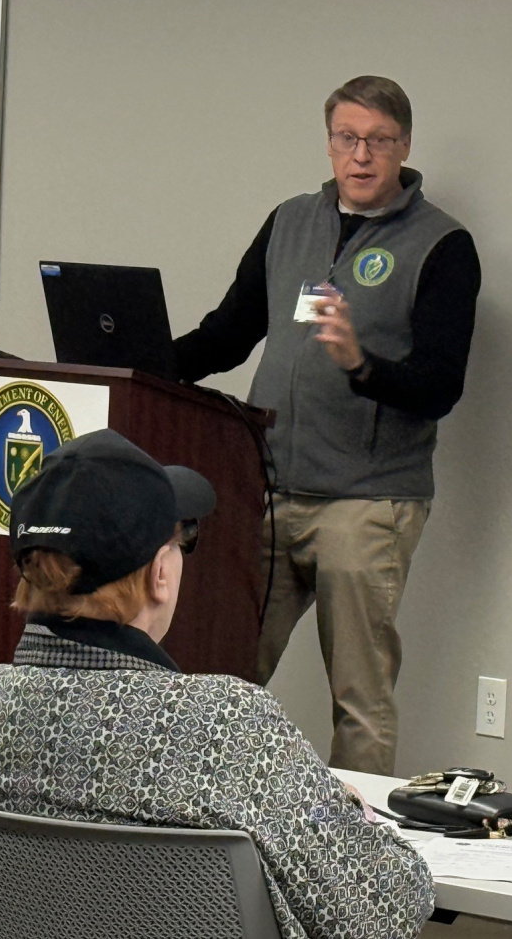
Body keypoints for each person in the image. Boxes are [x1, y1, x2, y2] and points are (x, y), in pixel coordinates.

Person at [0, 429, 434, 939]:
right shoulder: (228, 724)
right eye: (182, 541)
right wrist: (339, 809)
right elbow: (385, 909)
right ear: (159, 574)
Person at [173, 75, 481, 774]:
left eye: (378, 140)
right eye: (348, 138)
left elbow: (441, 386)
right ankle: (206, 832)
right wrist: (136, 366)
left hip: (368, 501)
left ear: (404, 146)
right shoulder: (291, 222)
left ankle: (358, 861)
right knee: (219, 677)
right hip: (271, 489)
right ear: (330, 144)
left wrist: (358, 363)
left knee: (359, 697)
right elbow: (226, 335)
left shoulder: (442, 246)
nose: (362, 155)